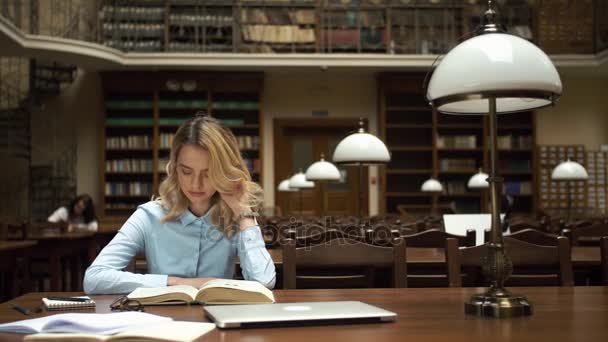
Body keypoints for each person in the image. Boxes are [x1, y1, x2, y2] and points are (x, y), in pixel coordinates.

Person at [84, 115, 275, 294]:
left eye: (208, 174)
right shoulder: (149, 216)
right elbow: (94, 278)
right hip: (161, 322)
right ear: (175, 168)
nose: (195, 184)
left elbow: (264, 282)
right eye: (186, 171)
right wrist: (176, 282)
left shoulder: (235, 216)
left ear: (223, 172)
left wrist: (243, 212)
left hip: (219, 321)